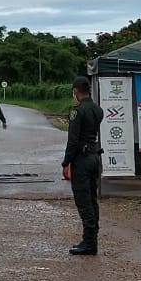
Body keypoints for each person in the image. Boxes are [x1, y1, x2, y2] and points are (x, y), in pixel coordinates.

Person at [62, 76, 103, 255]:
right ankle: (92, 239)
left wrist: (66, 162)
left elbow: (73, 141)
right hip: (95, 156)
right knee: (92, 200)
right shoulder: (97, 109)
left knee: (83, 200)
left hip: (82, 160)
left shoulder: (77, 111)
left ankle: (89, 242)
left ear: (76, 91)